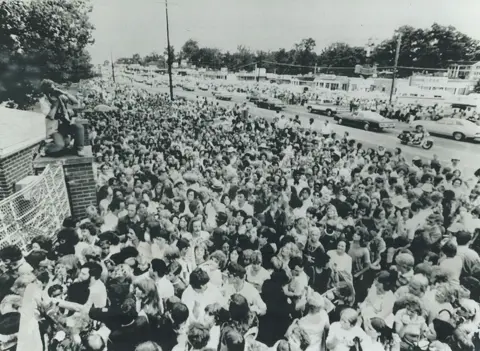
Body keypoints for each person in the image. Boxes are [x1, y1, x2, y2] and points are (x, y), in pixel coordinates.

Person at [39, 79, 85, 157]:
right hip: (54, 128)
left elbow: (75, 102)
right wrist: (55, 104)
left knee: (79, 127)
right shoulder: (44, 101)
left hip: (64, 124)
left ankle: (78, 149)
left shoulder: (59, 96)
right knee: (60, 146)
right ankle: (45, 147)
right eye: (51, 89)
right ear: (46, 91)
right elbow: (51, 116)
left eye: (54, 88)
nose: (53, 91)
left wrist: (64, 93)